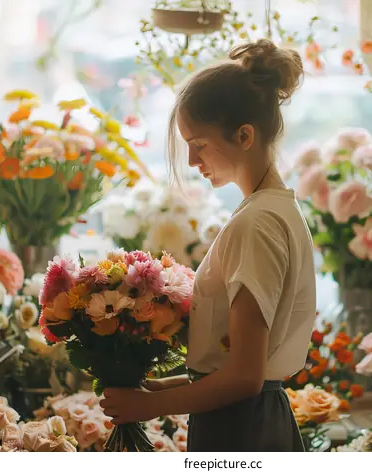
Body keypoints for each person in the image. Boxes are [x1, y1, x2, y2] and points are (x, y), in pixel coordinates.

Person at [101, 38, 317, 452]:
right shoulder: (273, 211)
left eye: (198, 144)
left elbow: (244, 377)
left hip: (241, 429)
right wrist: (164, 387)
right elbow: (240, 366)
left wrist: (149, 408)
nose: (191, 161)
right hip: (249, 416)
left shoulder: (257, 224)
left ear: (245, 135)